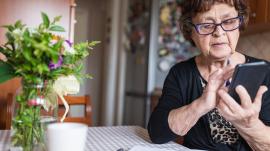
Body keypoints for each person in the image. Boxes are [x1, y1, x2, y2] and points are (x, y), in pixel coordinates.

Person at [147, 0, 270, 150]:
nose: (219, 32)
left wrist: (249, 126)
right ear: (191, 32)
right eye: (207, 25)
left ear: (240, 24)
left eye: (229, 21)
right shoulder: (181, 73)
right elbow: (157, 133)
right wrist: (201, 105)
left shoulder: (265, 73)